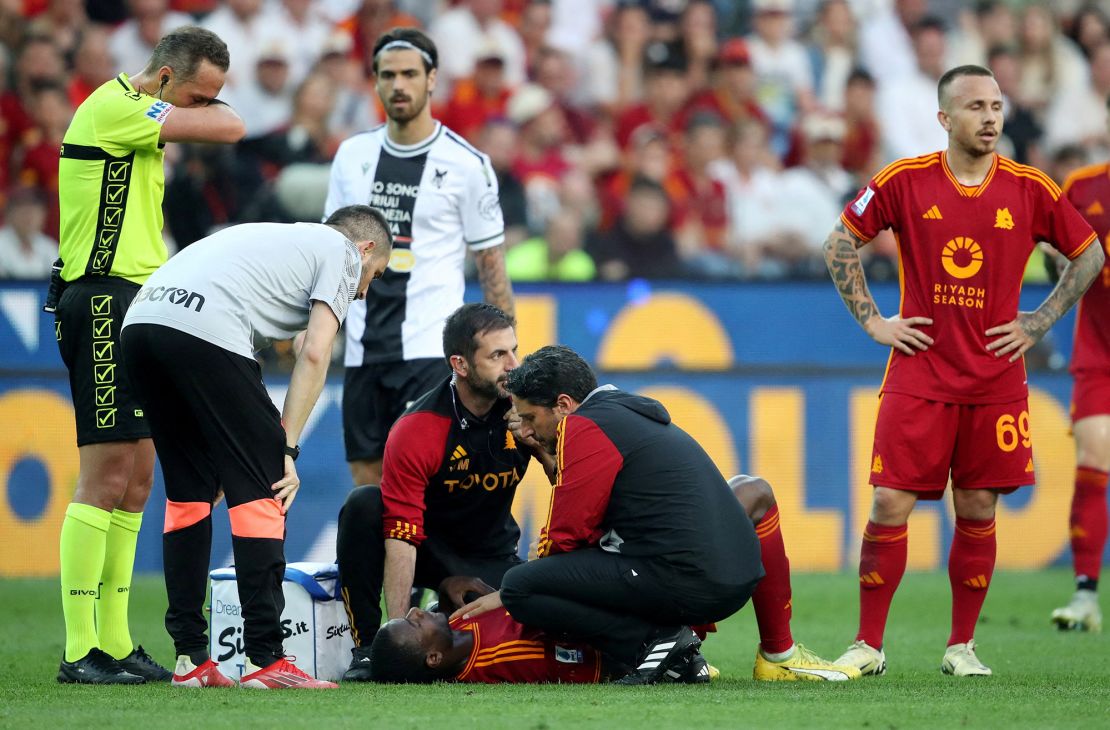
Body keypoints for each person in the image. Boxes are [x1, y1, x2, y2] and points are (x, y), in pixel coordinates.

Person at [822, 64, 1104, 677]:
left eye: (997, 105)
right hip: (919, 375)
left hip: (995, 381)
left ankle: (961, 647)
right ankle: (869, 645)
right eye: (976, 106)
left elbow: (1089, 253)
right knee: (890, 504)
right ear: (945, 119)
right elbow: (839, 243)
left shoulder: (1030, 188)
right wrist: (874, 322)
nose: (991, 117)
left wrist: (1039, 321)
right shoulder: (904, 181)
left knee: (978, 508)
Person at [456, 345, 856, 684]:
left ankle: (652, 645)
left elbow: (565, 538)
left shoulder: (582, 428)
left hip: (688, 581)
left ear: (563, 405)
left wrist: (509, 595)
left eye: (529, 417)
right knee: (749, 490)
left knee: (525, 586)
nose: (525, 429)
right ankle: (775, 655)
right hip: (731, 569)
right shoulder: (622, 410)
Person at [121, 205, 393, 689]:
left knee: (189, 494)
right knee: (267, 484)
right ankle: (267, 659)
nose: (365, 288)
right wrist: (285, 449)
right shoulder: (341, 250)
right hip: (204, 328)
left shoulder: (272, 240)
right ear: (365, 249)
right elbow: (315, 350)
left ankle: (189, 660)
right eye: (374, 274)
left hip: (140, 326)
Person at [53, 26, 245, 685]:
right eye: (199, 94)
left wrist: (199, 104)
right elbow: (231, 130)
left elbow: (226, 122)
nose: (207, 107)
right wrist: (205, 113)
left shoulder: (145, 116)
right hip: (101, 298)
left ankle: (115, 641)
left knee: (136, 480)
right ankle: (80, 650)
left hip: (139, 303)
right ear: (164, 80)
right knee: (103, 476)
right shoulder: (114, 109)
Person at [379, 472, 862, 684]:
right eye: (414, 625)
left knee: (750, 491)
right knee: (752, 494)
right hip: (644, 610)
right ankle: (773, 653)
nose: (416, 611)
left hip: (620, 591)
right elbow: (581, 654)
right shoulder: (497, 660)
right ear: (434, 658)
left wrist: (488, 589)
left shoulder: (460, 633)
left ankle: (770, 652)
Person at [324, 27, 514, 488]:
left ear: (432, 80)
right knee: (368, 484)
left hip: (430, 350)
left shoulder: (467, 164)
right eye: (388, 75)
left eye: (410, 73)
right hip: (364, 350)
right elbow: (330, 254)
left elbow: (492, 267)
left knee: (426, 482)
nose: (399, 85)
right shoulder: (352, 156)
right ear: (375, 82)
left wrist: (509, 361)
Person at [335, 303, 543, 681]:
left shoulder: (527, 408)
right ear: (460, 365)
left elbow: (570, 479)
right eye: (498, 355)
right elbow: (401, 534)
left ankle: (444, 606)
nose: (514, 364)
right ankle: (368, 648)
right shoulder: (419, 428)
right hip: (426, 548)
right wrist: (400, 638)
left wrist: (540, 444)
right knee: (364, 504)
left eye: (514, 350)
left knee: (541, 611)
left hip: (490, 556)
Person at [1049, 149, 1110, 633]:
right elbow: (1057, 256)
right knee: (1093, 456)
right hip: (1100, 356)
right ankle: (1085, 593)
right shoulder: (1082, 188)